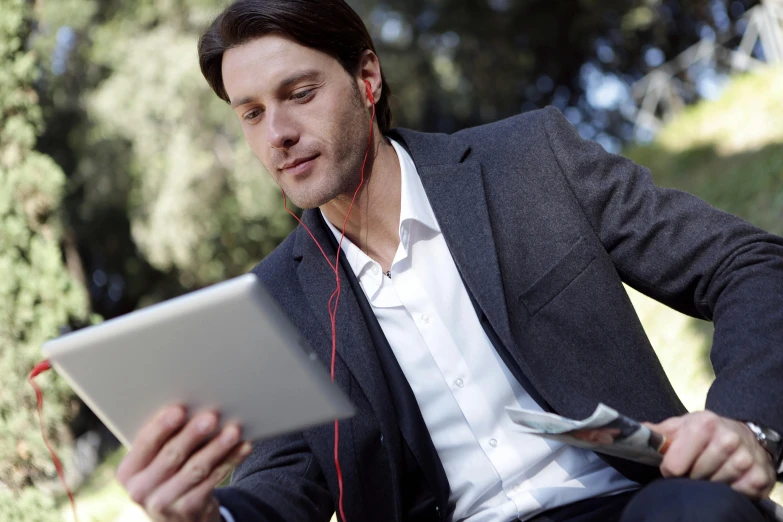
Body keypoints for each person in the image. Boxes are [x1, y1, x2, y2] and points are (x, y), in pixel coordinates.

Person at [115, 0, 783, 521]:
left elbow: (746, 264)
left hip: (642, 505)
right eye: (251, 113)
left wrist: (747, 426)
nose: (277, 135)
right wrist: (206, 515)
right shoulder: (274, 300)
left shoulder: (528, 161)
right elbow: (284, 479)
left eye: (299, 93)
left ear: (367, 78)